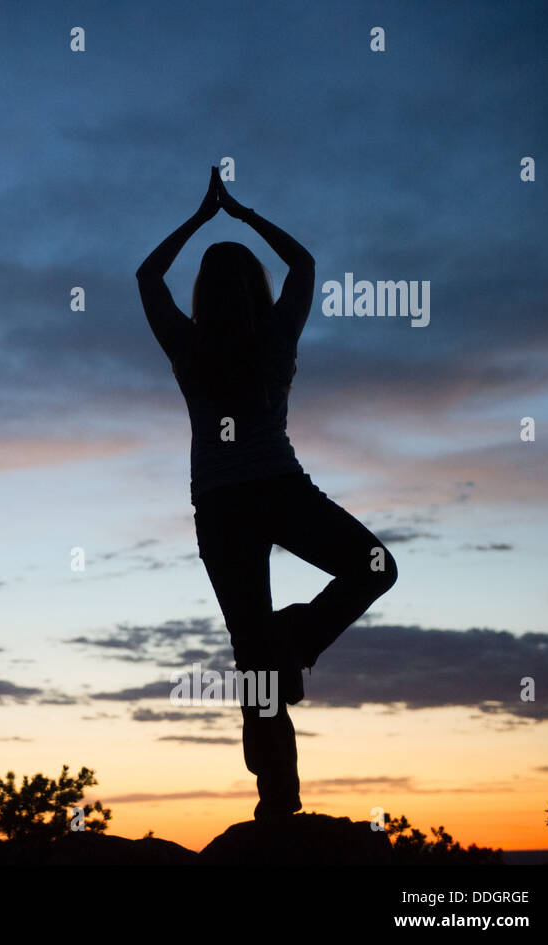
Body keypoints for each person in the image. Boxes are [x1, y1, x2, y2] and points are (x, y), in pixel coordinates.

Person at [135, 167, 398, 820]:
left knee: (256, 660)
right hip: (278, 489)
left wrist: (201, 217)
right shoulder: (275, 336)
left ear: (206, 292)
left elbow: (146, 278)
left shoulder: (189, 344)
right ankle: (294, 644)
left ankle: (277, 800)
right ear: (256, 288)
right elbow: (304, 264)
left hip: (223, 508)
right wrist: (243, 214)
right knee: (374, 568)